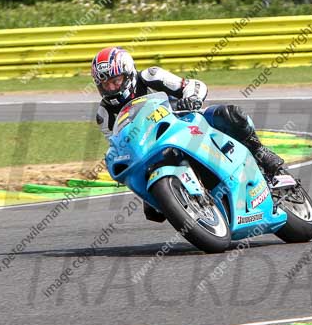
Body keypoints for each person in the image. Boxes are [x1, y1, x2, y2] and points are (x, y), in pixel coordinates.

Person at [92, 46, 284, 221]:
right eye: (105, 84)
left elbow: (194, 85)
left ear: (129, 74)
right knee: (153, 212)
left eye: (115, 81)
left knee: (231, 115)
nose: (111, 88)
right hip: (152, 150)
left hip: (187, 121)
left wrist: (191, 99)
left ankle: (261, 154)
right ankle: (196, 205)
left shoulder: (151, 76)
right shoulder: (104, 114)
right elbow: (117, 142)